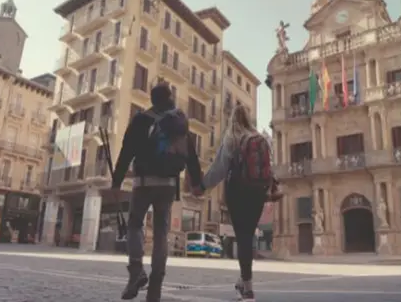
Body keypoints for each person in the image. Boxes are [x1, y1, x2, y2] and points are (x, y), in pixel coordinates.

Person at [112, 83, 203, 302]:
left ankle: (136, 271)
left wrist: (116, 182)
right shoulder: (179, 123)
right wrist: (197, 182)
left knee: (135, 224)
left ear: (152, 100)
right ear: (170, 98)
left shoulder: (141, 120)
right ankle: (155, 289)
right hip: (169, 185)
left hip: (143, 183)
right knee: (162, 232)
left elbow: (126, 151)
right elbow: (190, 153)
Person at [196, 104, 281, 302]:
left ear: (233, 119)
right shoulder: (261, 139)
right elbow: (269, 167)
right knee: (247, 236)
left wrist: (203, 186)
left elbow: (219, 168)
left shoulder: (232, 138)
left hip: (237, 192)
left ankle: (248, 288)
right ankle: (242, 283)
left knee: (242, 238)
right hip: (258, 192)